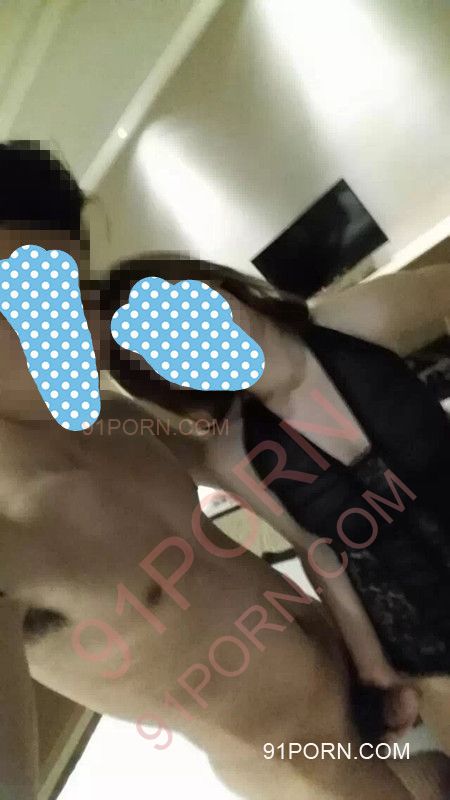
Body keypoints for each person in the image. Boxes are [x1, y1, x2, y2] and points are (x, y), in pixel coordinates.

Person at [0, 141, 446, 800]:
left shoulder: (119, 423)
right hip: (309, 774)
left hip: (379, 690)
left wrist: (294, 335)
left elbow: (252, 443)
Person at [100, 252, 450, 753]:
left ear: (214, 284)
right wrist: (373, 667)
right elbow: (319, 551)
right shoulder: (233, 453)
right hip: (425, 637)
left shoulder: (354, 321)